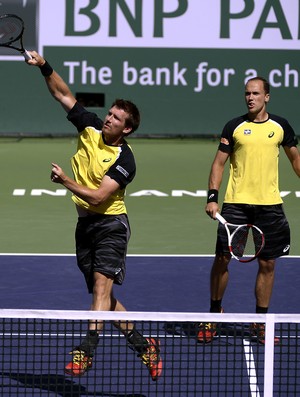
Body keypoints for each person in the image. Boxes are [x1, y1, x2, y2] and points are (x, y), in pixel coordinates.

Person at [26, 51, 162, 380]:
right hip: (84, 226)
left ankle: (85, 350)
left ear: (126, 129)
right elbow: (62, 93)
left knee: (101, 288)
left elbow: (100, 197)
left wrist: (66, 181)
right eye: (110, 114)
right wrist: (44, 66)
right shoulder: (88, 126)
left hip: (111, 225)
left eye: (116, 118)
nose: (108, 119)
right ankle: (145, 347)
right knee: (105, 299)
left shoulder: (125, 160)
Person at [199, 76, 300, 345]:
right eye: (247, 93)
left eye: (255, 93)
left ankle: (260, 322)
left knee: (267, 264)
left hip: (270, 206)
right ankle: (213, 315)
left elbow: (295, 159)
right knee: (222, 259)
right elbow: (219, 164)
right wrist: (212, 197)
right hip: (236, 205)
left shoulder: (280, 126)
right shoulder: (234, 126)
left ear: (267, 96)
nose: (250, 98)